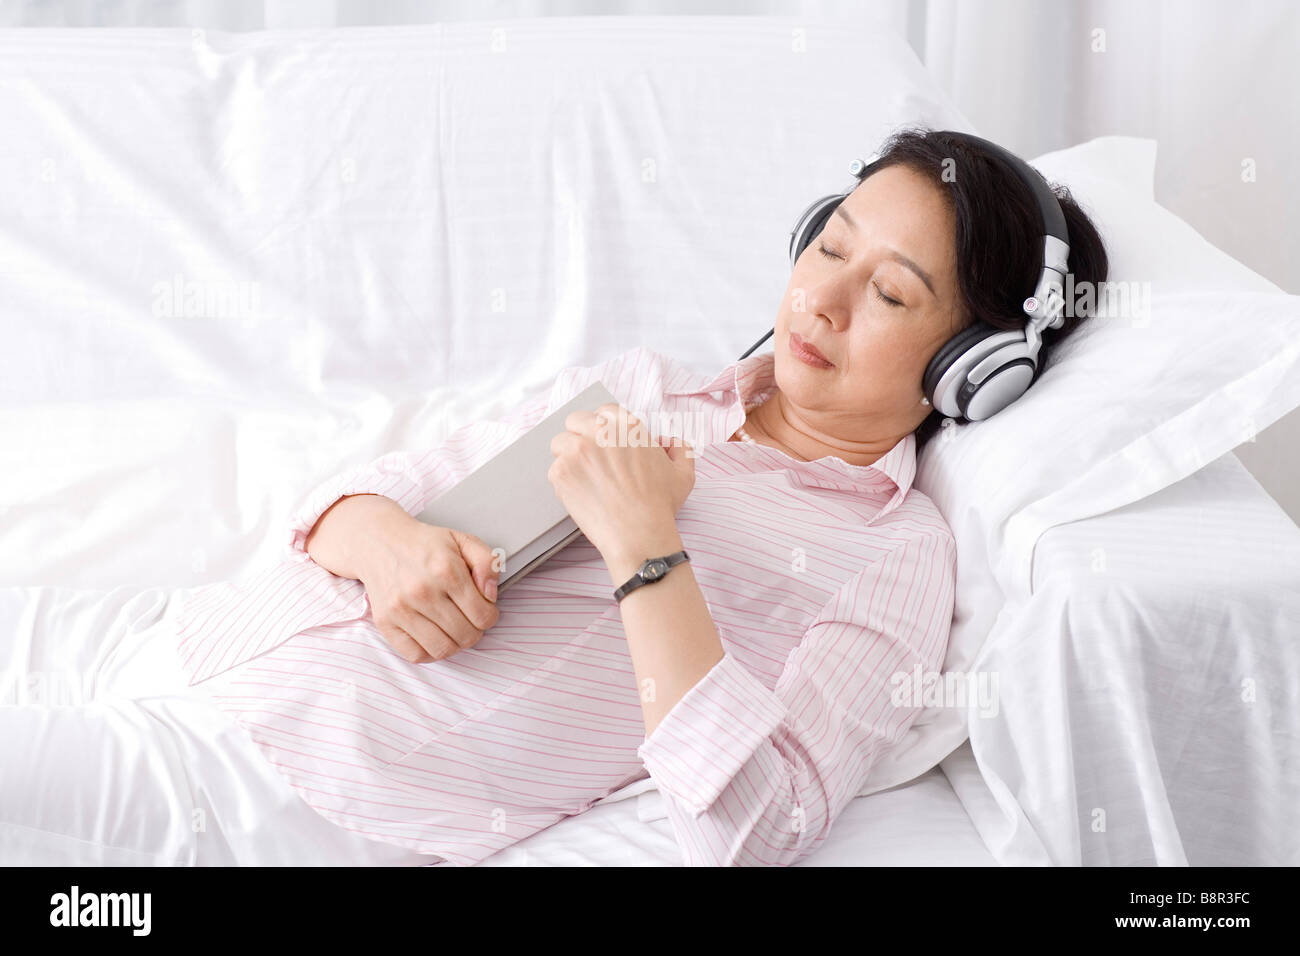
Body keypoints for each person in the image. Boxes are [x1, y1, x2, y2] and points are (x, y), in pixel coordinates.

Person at [0, 128, 1107, 866]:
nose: (821, 296)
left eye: (891, 291)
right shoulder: (652, 381)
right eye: (829, 243)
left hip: (278, 780)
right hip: (195, 626)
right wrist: (378, 536)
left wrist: (643, 540)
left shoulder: (892, 554)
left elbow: (762, 817)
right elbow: (391, 478)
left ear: (971, 361)